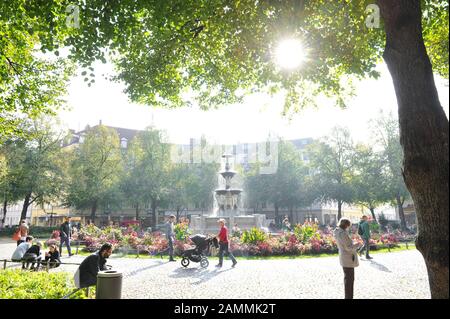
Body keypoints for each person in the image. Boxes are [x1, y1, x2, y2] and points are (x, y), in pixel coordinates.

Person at [334, 217, 360, 299]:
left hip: (345, 257)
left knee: (348, 279)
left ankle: (348, 296)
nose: (348, 227)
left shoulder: (338, 231)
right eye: (348, 225)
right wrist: (358, 244)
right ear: (345, 225)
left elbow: (346, 244)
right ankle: (349, 297)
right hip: (347, 258)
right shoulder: (342, 233)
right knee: (349, 280)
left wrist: (353, 242)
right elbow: (348, 247)